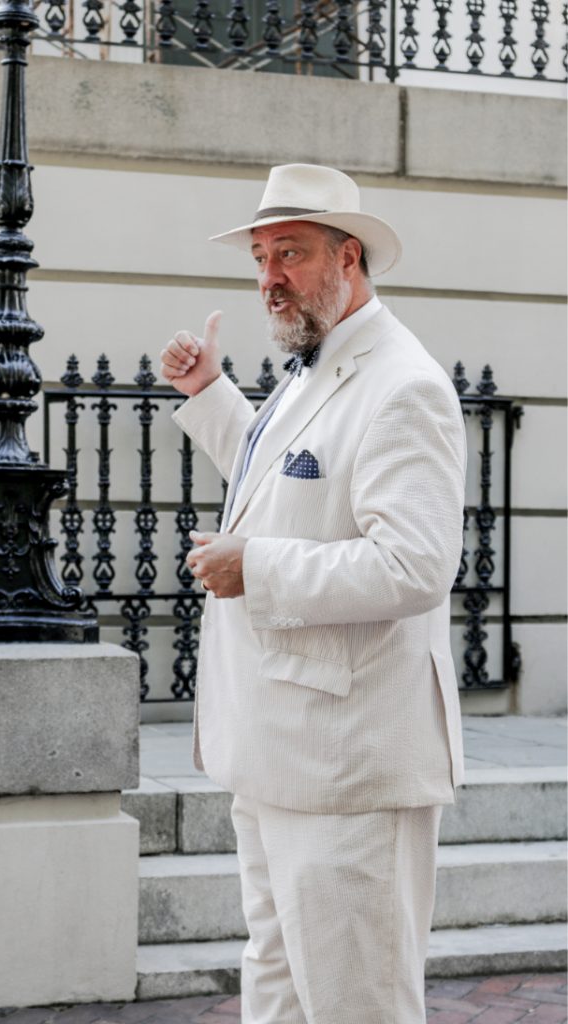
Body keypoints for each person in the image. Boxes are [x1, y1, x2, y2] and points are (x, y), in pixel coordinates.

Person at [159, 163, 467, 1024]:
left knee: (352, 1000)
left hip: (348, 767)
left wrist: (254, 566)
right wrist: (211, 395)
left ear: (349, 257)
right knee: (280, 985)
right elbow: (286, 479)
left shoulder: (402, 384)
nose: (269, 278)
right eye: (261, 257)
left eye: (289, 253)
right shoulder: (310, 368)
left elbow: (413, 565)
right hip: (274, 755)